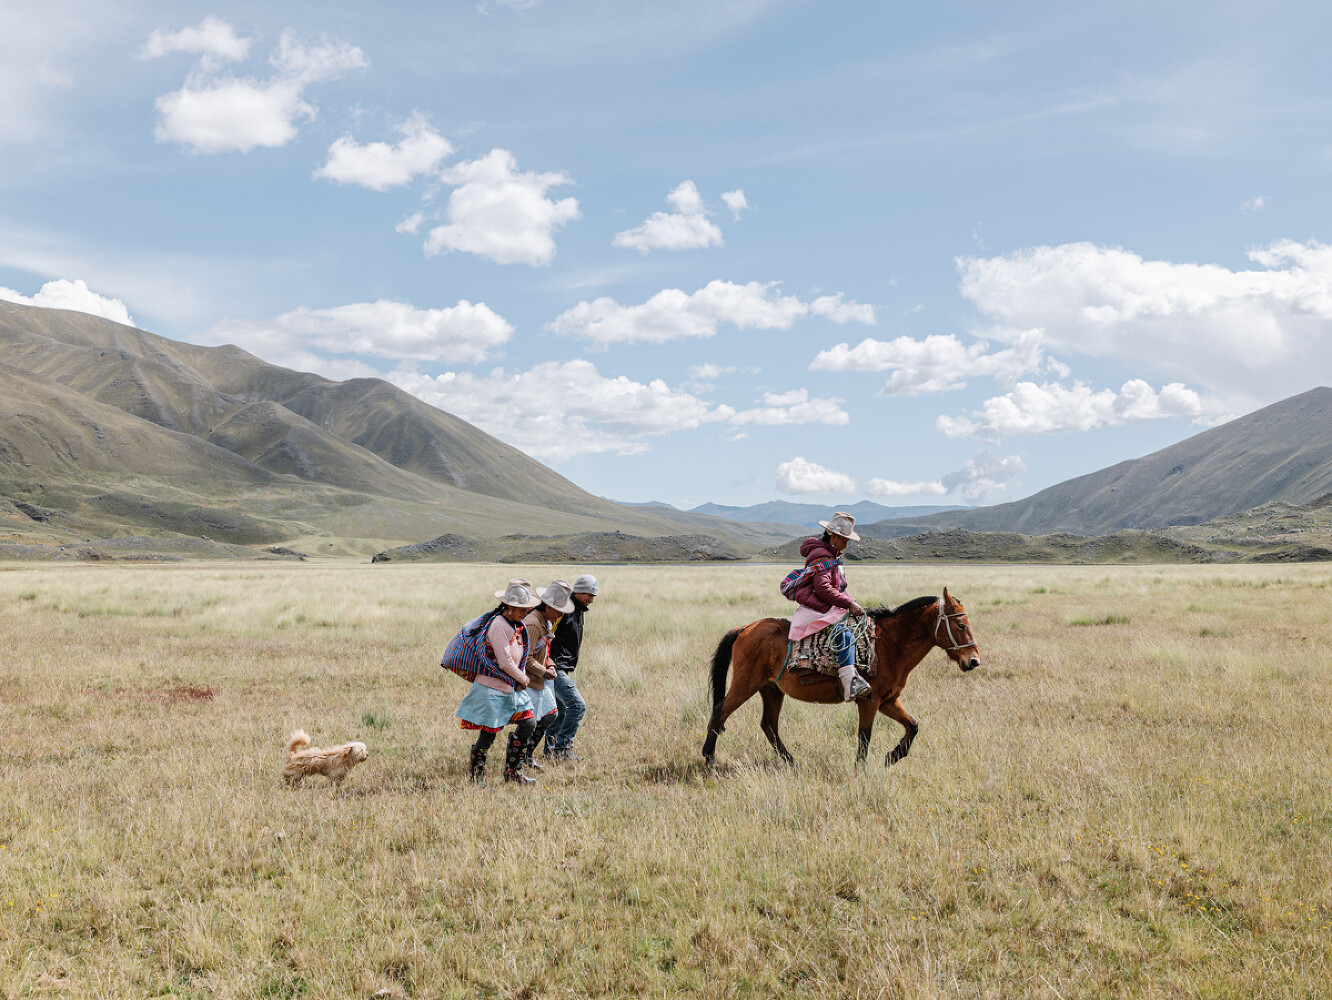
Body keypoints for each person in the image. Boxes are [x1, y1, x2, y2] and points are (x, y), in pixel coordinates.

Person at [456, 580, 541, 786]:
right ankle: (477, 777)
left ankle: (513, 772)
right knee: (489, 734)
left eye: (526, 608)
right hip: (493, 688)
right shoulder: (498, 626)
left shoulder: (517, 625)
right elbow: (504, 662)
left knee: (529, 722)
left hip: (511, 688)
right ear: (509, 607)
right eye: (522, 608)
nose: (525, 611)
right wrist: (524, 679)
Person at [789, 512, 871, 702]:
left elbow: (836, 588)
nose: (845, 545)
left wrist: (849, 600)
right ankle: (849, 685)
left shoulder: (831, 555)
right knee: (846, 635)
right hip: (817, 609)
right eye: (844, 540)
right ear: (833, 537)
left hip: (824, 605)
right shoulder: (822, 556)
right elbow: (823, 588)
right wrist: (849, 603)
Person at [541, 573, 598, 761]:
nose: (591, 599)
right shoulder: (563, 610)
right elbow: (545, 636)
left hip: (560, 666)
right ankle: (563, 749)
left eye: (593, 596)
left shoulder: (578, 610)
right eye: (589, 594)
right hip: (553, 667)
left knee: (560, 711)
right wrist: (547, 662)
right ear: (579, 591)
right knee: (577, 705)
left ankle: (550, 752)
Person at [519, 579, 575, 770]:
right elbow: (525, 659)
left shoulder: (546, 622)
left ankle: (526, 755)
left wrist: (550, 664)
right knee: (529, 723)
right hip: (529, 681)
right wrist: (545, 671)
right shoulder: (534, 624)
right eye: (559, 610)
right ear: (549, 606)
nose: (561, 615)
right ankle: (518, 760)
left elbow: (543, 652)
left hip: (540, 678)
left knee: (550, 715)